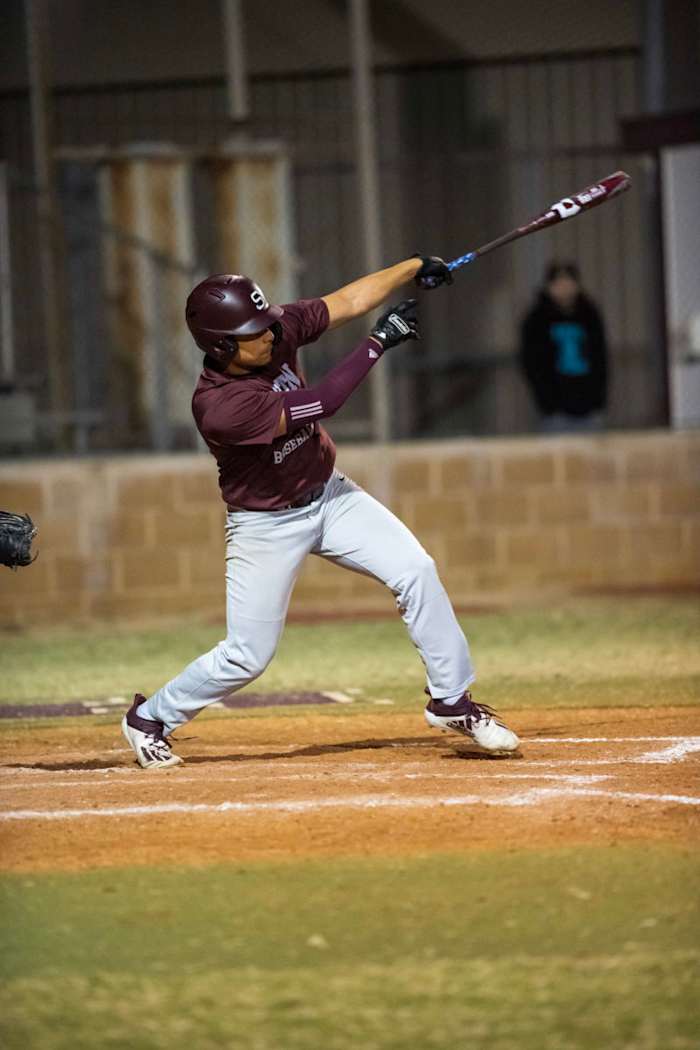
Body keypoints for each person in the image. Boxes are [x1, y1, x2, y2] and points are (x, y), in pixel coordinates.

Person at [121, 257, 519, 768]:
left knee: (416, 570)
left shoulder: (273, 332)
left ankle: (452, 701)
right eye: (252, 332)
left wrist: (414, 267)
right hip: (267, 524)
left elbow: (348, 300)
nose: (269, 336)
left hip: (330, 494)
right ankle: (150, 718)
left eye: (266, 325)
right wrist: (378, 343)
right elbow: (326, 401)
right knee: (248, 654)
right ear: (220, 345)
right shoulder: (221, 405)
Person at [519, 261, 608, 433]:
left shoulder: (589, 315)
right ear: (549, 286)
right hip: (555, 410)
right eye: (559, 283)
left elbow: (600, 358)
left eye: (569, 282)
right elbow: (531, 362)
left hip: (588, 406)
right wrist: (546, 401)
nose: (564, 288)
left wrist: (598, 399)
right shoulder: (537, 319)